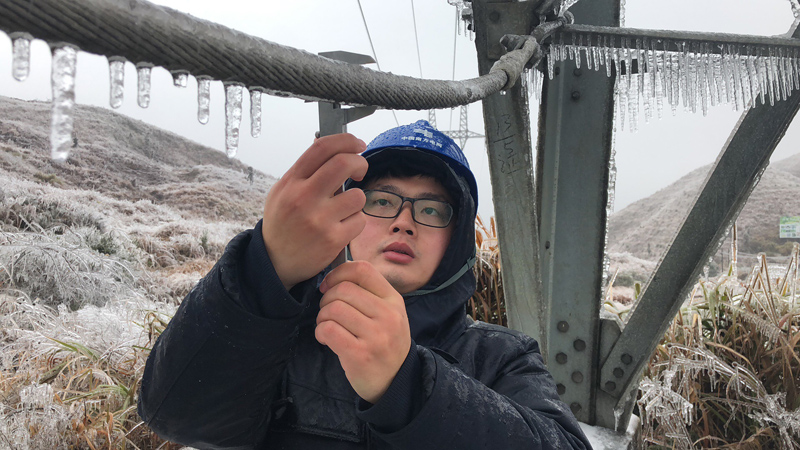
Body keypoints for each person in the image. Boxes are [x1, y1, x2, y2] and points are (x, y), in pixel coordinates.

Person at [138, 120, 591, 449]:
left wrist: (408, 385)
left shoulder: (501, 356)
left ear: (457, 242)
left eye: (431, 210)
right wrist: (265, 269)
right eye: (382, 201)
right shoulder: (281, 335)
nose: (404, 222)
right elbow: (175, 415)